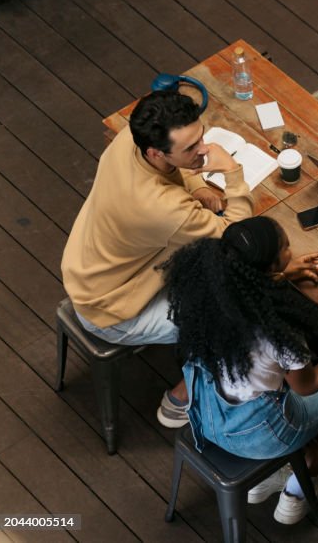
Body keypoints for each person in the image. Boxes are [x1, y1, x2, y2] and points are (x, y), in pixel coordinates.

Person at [161, 217, 318, 524]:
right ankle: (298, 486)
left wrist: (279, 276)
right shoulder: (278, 334)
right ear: (269, 265)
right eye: (285, 247)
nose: (290, 250)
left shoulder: (211, 299)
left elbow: (249, 289)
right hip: (260, 433)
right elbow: (308, 385)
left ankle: (268, 474)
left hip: (210, 419)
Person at [61, 90, 256, 429]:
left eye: (201, 138)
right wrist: (233, 173)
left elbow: (173, 170)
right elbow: (236, 234)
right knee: (237, 312)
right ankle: (183, 397)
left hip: (90, 271)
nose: (205, 150)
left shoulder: (130, 139)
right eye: (191, 149)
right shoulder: (162, 208)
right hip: (112, 309)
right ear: (156, 151)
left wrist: (196, 184)